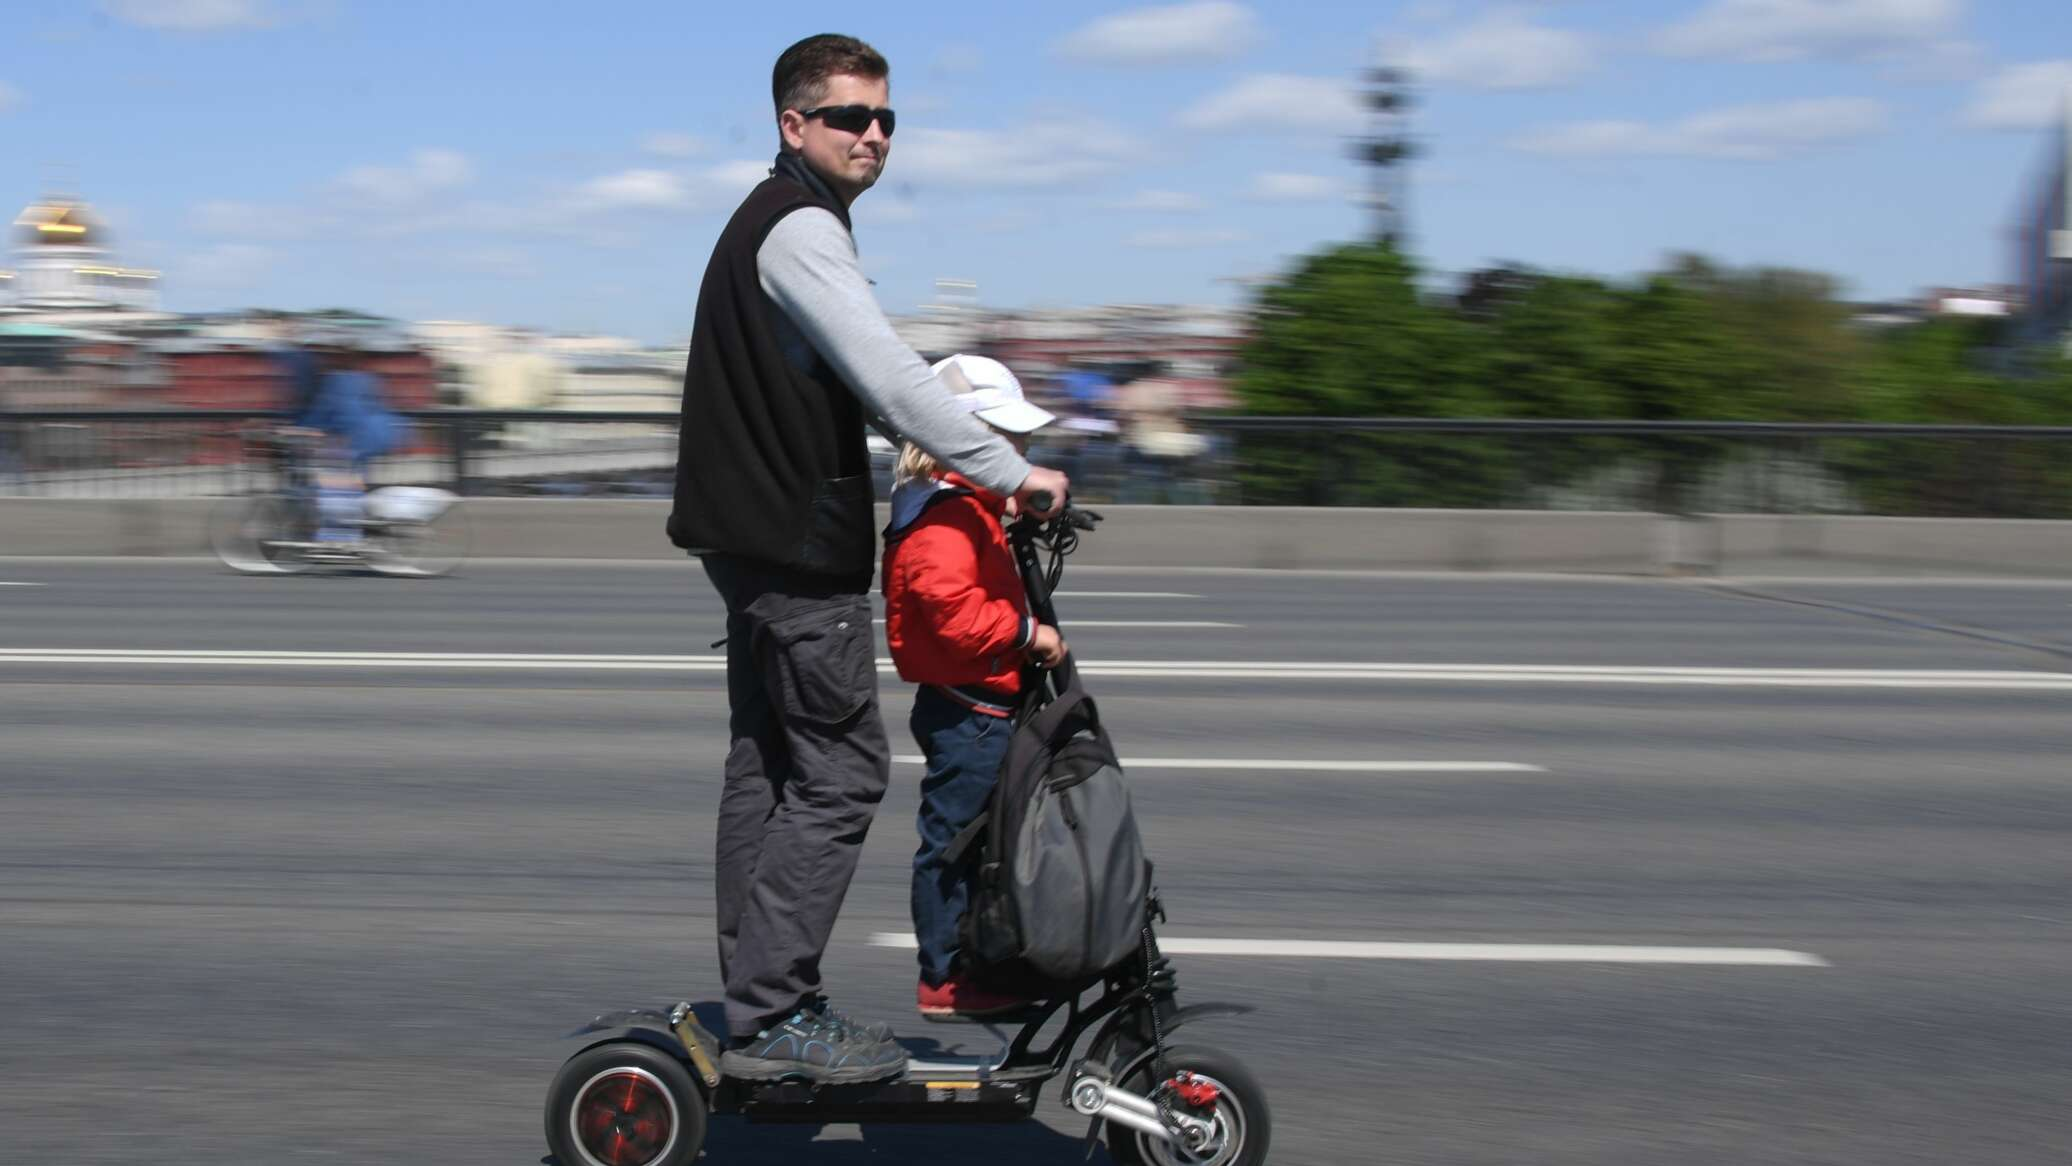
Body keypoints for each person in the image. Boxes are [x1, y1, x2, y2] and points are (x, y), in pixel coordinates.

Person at [668, 34, 1070, 1084]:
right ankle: (774, 1007)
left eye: (886, 119)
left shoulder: (771, 221)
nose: (875, 135)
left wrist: (909, 439)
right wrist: (1005, 471)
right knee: (842, 770)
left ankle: (752, 989)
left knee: (769, 762)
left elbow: (824, 377)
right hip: (794, 549)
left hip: (742, 534)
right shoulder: (799, 226)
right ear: (793, 125)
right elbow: (887, 366)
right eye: (850, 116)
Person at [880, 354, 1065, 1019]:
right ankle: (945, 977)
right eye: (1008, 440)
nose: (1022, 451)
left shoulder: (957, 502)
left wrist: (1013, 495)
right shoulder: (943, 519)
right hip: (969, 709)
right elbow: (954, 615)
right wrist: (1027, 634)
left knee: (984, 838)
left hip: (979, 702)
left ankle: (977, 960)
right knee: (954, 843)